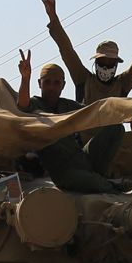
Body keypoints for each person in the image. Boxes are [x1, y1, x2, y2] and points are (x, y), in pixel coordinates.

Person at [13, 50, 119, 191]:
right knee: (97, 184)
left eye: (56, 83)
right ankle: (112, 185)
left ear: (63, 85)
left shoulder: (67, 105)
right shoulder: (35, 105)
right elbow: (23, 105)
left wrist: (128, 115)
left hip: (82, 159)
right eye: (47, 82)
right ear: (39, 84)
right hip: (63, 171)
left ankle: (99, 174)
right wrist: (25, 78)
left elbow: (94, 112)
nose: (52, 87)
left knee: (116, 128)